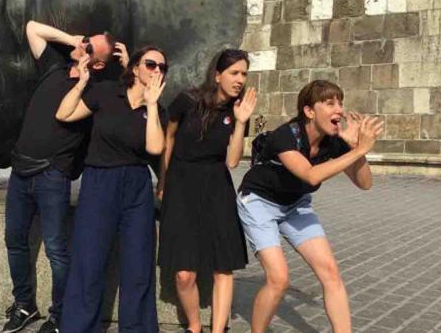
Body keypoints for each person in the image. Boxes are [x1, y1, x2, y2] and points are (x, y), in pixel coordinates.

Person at [236, 80, 383, 333]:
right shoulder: (286, 136)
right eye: (329, 103)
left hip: (296, 205)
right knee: (279, 279)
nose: (338, 109)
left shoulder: (333, 142)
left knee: (330, 273)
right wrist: (359, 149)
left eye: (340, 102)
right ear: (309, 111)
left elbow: (365, 183)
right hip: (259, 202)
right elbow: (311, 175)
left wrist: (355, 149)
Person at [3, 20, 121, 333]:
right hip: (20, 170)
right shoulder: (53, 67)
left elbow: (124, 99)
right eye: (85, 40)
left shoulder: (94, 93)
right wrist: (73, 38)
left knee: (56, 250)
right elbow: (30, 28)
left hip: (52, 176)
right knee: (14, 241)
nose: (81, 45)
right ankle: (24, 305)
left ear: (97, 62)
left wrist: (117, 65)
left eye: (89, 46)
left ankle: (60, 316)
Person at [56, 46, 168, 333]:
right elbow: (64, 114)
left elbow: (154, 147)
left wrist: (152, 105)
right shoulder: (106, 93)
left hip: (136, 186)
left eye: (162, 68)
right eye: (151, 64)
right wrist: (81, 82)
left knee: (138, 264)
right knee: (89, 260)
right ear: (134, 68)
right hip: (99, 181)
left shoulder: (157, 110)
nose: (157, 71)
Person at [157, 49, 257, 333]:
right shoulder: (187, 100)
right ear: (217, 75)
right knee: (184, 274)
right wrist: (163, 181)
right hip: (182, 186)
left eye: (244, 74)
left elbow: (233, 160)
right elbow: (169, 136)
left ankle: (217, 329)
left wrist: (240, 122)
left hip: (216, 187)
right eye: (234, 73)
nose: (240, 80)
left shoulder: (238, 111)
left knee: (222, 267)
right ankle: (193, 326)